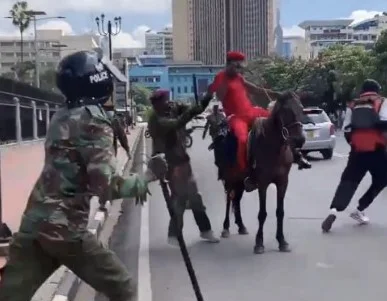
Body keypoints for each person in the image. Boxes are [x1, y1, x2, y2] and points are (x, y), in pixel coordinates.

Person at [0, 50, 167, 301]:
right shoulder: (93, 121)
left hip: (36, 225)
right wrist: (148, 177)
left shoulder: (62, 116)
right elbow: (108, 186)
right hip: (65, 231)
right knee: (122, 287)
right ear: (99, 82)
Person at [208, 51, 309, 192]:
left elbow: (255, 90)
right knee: (242, 140)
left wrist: (276, 94)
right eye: (236, 66)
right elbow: (218, 94)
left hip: (251, 111)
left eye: (240, 67)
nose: (238, 70)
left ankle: (296, 154)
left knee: (277, 122)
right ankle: (246, 173)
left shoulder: (239, 78)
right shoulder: (220, 78)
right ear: (229, 64)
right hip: (236, 117)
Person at [148, 89, 219, 246]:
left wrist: (204, 99)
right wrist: (190, 111)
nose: (168, 103)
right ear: (156, 105)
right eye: (164, 101)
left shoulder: (170, 109)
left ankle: (188, 232)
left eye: (168, 100)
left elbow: (192, 109)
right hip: (169, 163)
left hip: (182, 159)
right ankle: (179, 234)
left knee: (190, 197)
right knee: (182, 198)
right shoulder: (157, 120)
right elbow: (177, 123)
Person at [321, 79, 387, 232]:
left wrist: (355, 145)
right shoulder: (382, 102)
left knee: (348, 182)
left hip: (357, 151)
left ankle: (334, 211)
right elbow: (384, 125)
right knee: (382, 180)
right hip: (377, 150)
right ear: (376, 90)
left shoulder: (353, 105)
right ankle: (360, 208)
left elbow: (347, 130)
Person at [99, 107, 132, 211]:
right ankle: (104, 200)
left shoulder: (91, 116)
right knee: (109, 175)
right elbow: (122, 136)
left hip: (95, 152)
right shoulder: (113, 119)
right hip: (109, 153)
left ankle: (104, 200)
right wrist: (127, 150)